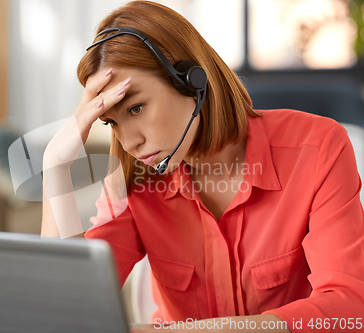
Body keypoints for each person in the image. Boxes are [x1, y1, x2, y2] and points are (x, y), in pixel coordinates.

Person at [41, 1, 364, 332]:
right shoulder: (131, 181)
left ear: (193, 82)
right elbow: (64, 312)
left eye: (136, 108)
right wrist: (56, 167)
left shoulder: (317, 147)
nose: (128, 143)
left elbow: (350, 308)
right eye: (112, 122)